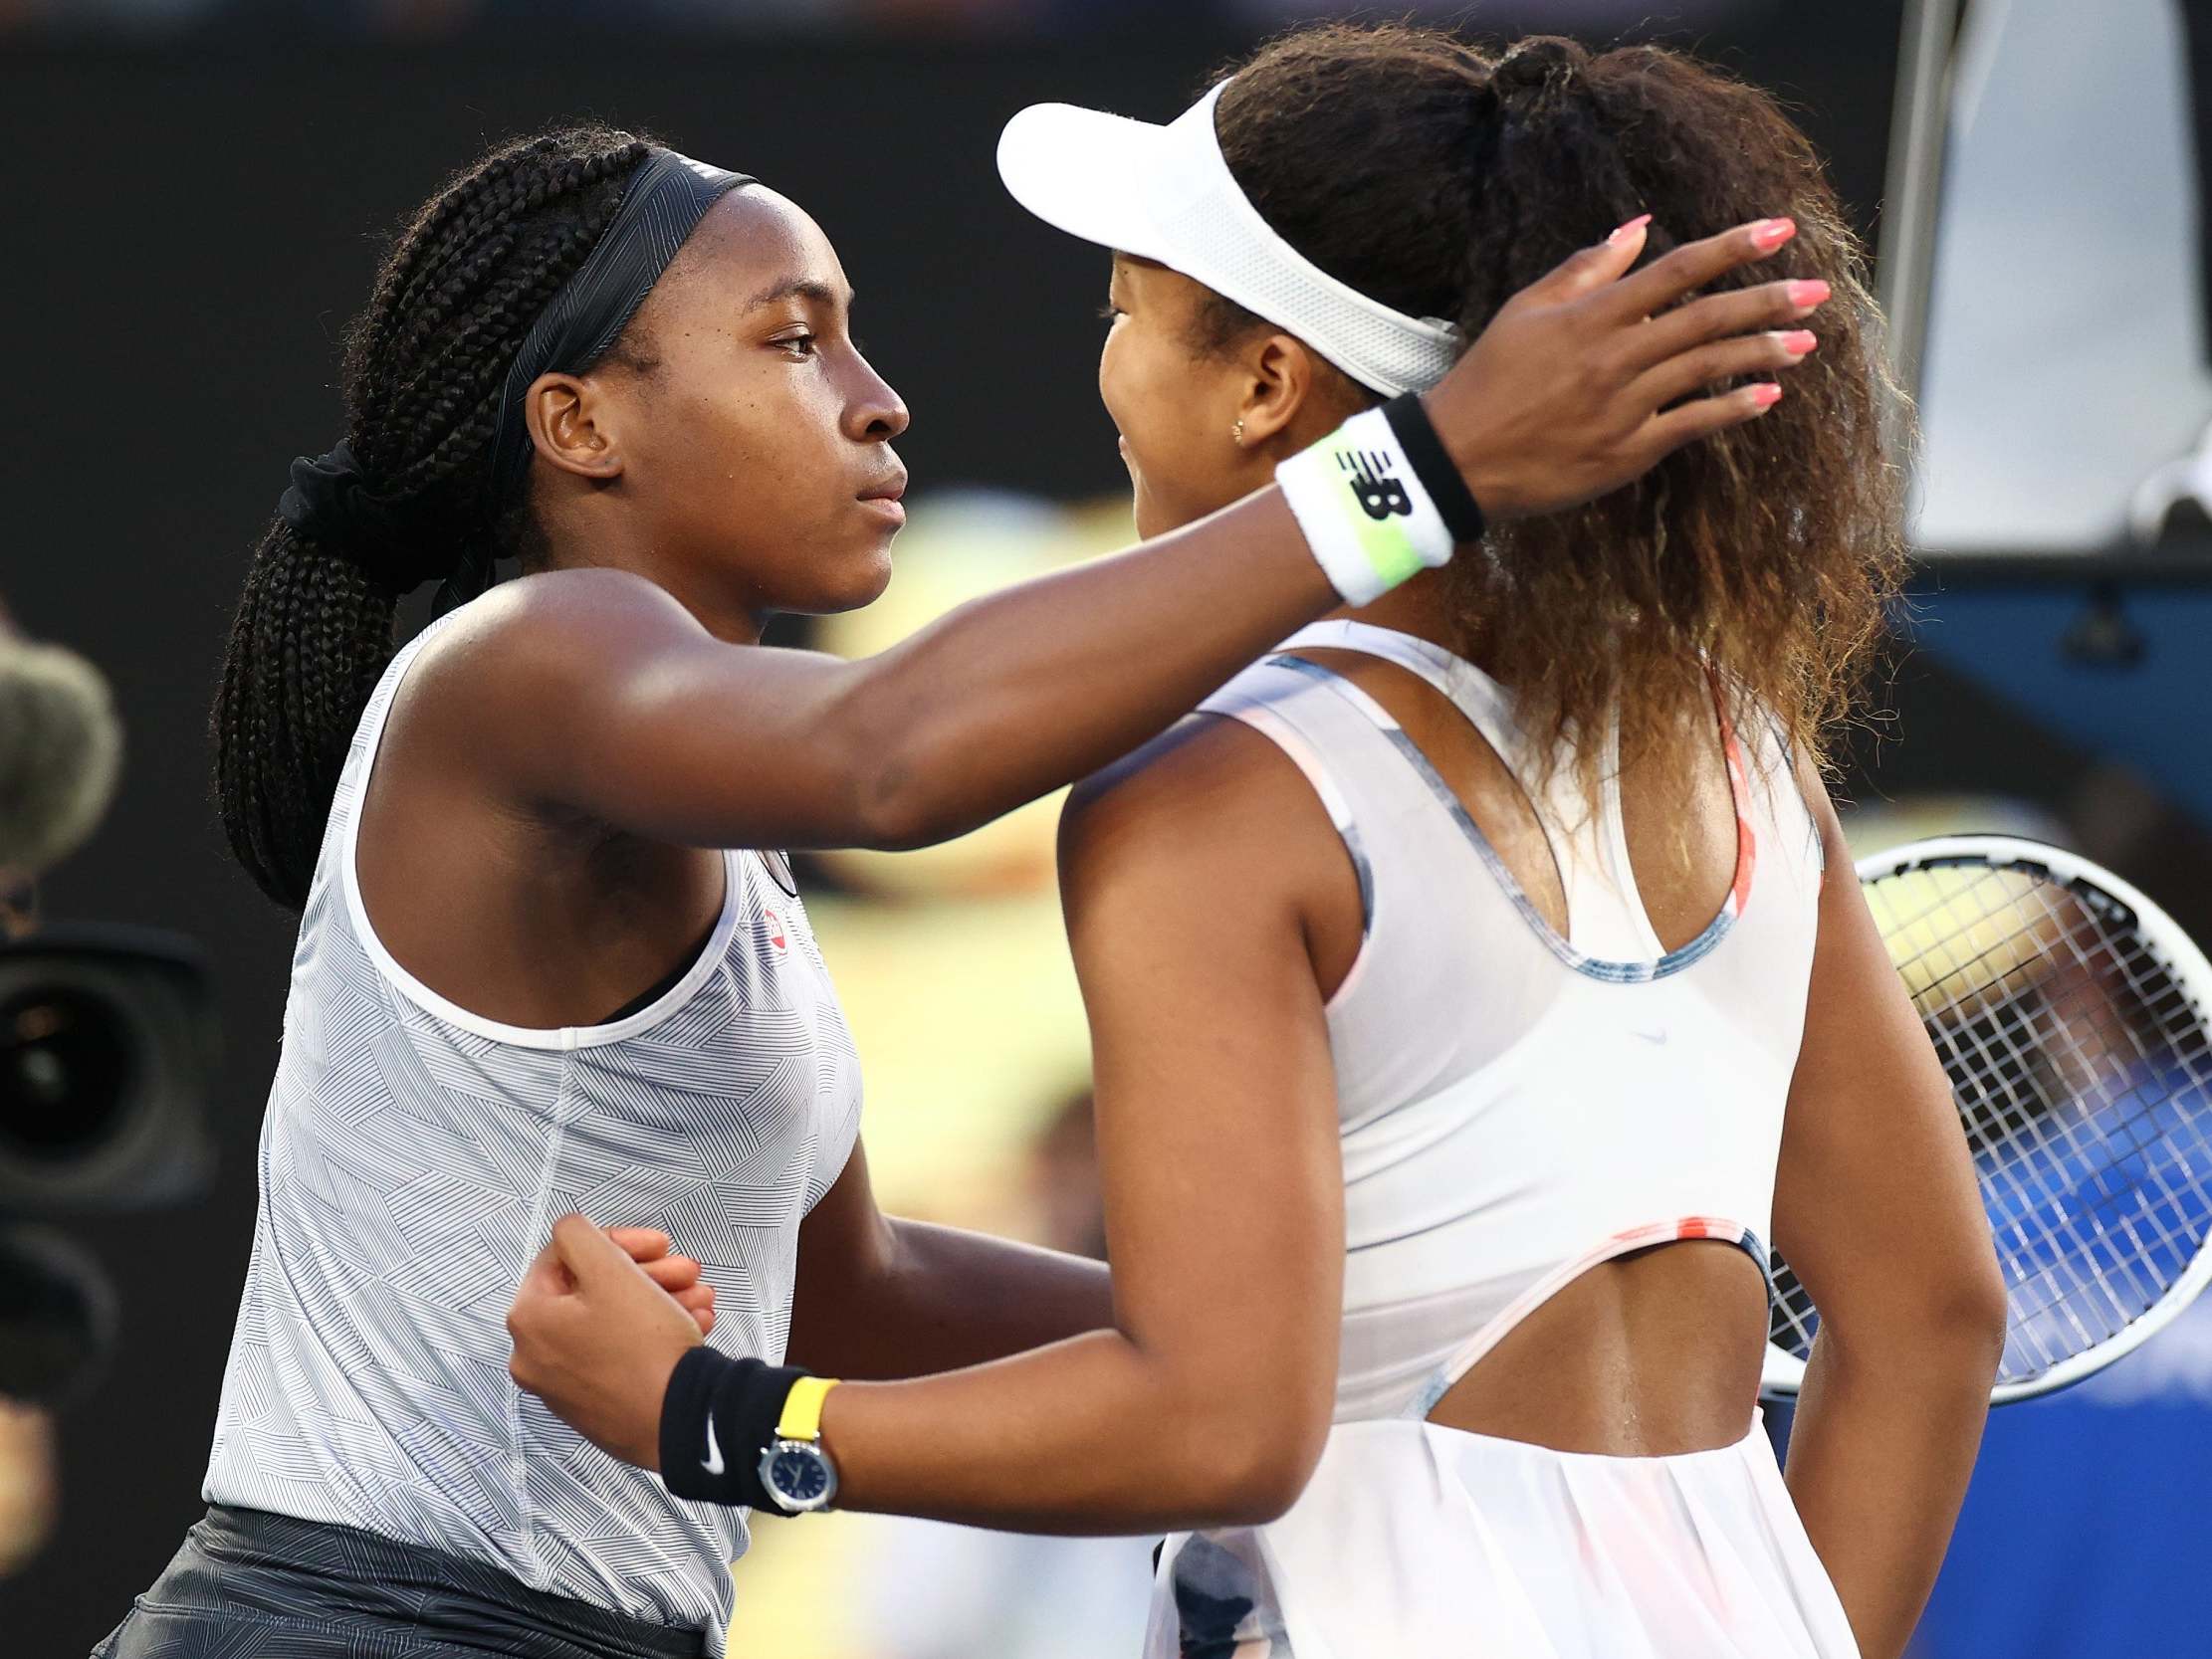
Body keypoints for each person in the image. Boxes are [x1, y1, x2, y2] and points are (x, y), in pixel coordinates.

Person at [91, 99, 1811, 1659]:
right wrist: (1420, 472)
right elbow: (896, 760)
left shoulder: (693, 803)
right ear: (581, 423)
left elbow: (858, 1293)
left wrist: (1374, 1345)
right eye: (791, 341)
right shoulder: (529, 659)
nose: (876, 397)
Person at [506, 27, 2007, 1659]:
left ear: (1264, 386)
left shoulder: (1217, 794)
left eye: (1125, 320)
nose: (1110, 378)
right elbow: (1931, 1319)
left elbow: (1216, 1426)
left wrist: (716, 1418)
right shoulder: (1735, 751)